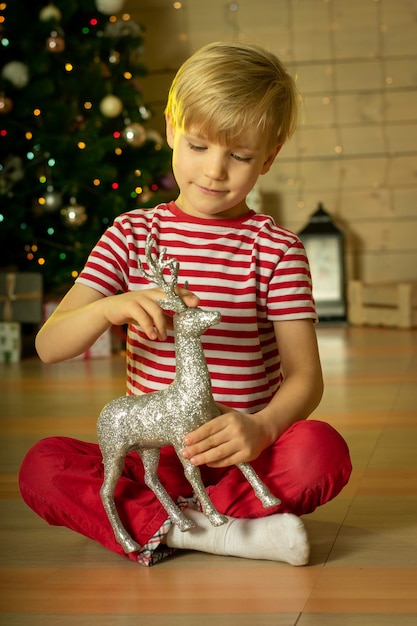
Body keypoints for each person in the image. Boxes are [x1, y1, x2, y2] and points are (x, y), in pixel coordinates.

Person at [19, 41, 352, 567]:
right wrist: (109, 307)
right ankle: (211, 530)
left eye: (239, 156)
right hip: (153, 457)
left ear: (269, 155)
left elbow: (305, 377)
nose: (215, 171)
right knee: (42, 466)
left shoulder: (277, 249)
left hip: (240, 451)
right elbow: (49, 345)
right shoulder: (130, 234)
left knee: (321, 451)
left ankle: (163, 523)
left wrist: (264, 427)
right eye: (198, 146)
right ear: (172, 128)